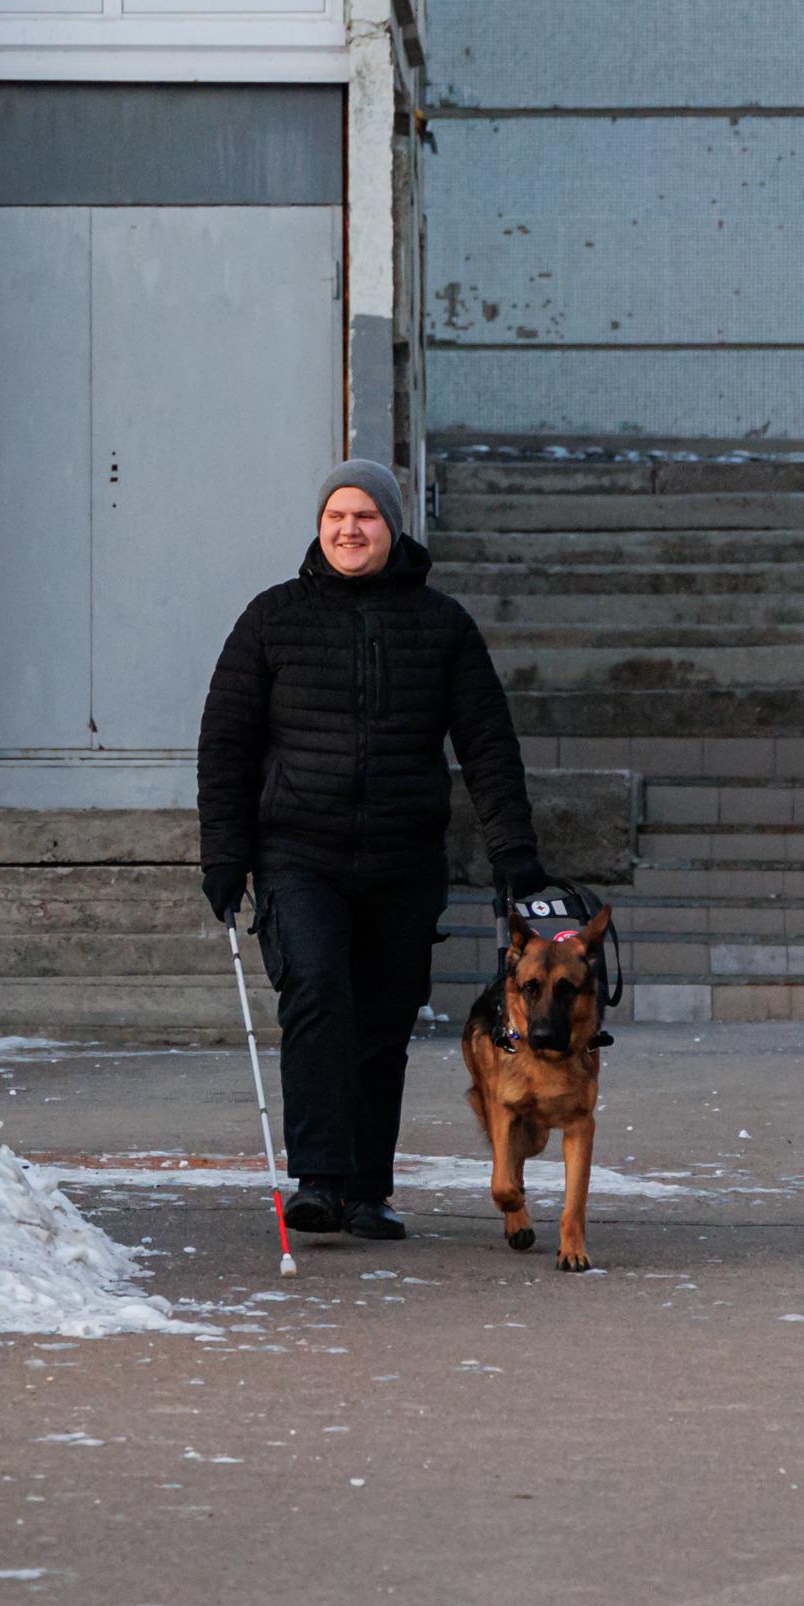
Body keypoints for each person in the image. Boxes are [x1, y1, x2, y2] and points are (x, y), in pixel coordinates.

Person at [197, 459, 547, 1242]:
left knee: (384, 1022)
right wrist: (225, 853)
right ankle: (318, 1180)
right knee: (318, 992)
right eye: (336, 517)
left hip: (401, 859)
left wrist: (514, 855)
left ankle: (366, 1190)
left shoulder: (442, 626)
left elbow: (487, 746)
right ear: (319, 527)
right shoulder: (272, 620)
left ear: (393, 528)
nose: (349, 530)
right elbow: (225, 742)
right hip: (299, 853)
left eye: (366, 517)